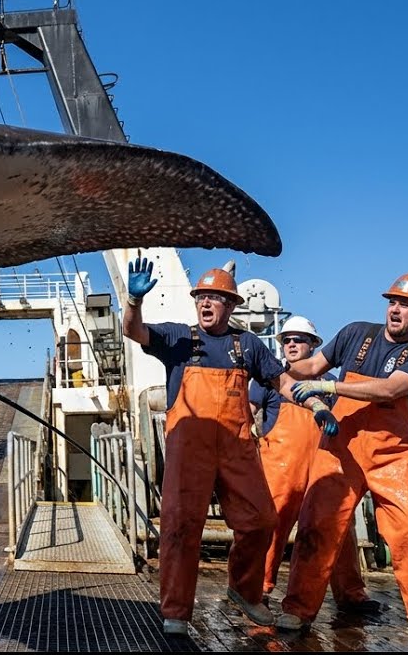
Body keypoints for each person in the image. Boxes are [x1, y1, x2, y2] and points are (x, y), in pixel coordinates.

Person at [123, 257, 336, 637]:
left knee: (261, 521)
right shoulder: (178, 339)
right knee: (180, 527)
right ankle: (175, 611)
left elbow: (281, 382)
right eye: (201, 297)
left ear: (232, 305)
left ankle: (244, 589)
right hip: (190, 453)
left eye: (215, 297)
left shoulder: (247, 345)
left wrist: (315, 403)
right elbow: (133, 330)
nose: (205, 303)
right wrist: (134, 301)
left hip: (237, 449)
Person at [276, 274, 408, 643]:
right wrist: (258, 359)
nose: (396, 309)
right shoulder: (355, 332)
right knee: (317, 525)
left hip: (392, 455)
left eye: (406, 305)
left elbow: (389, 389)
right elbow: (308, 368)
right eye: (392, 302)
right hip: (340, 448)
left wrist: (331, 386)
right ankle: (296, 610)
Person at [249, 315, 374, 610]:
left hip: (323, 467)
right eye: (287, 340)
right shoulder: (271, 379)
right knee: (272, 525)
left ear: (314, 345)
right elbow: (247, 411)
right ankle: (258, 588)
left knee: (338, 527)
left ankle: (351, 594)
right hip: (279, 470)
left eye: (299, 340)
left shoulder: (331, 384)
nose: (291, 344)